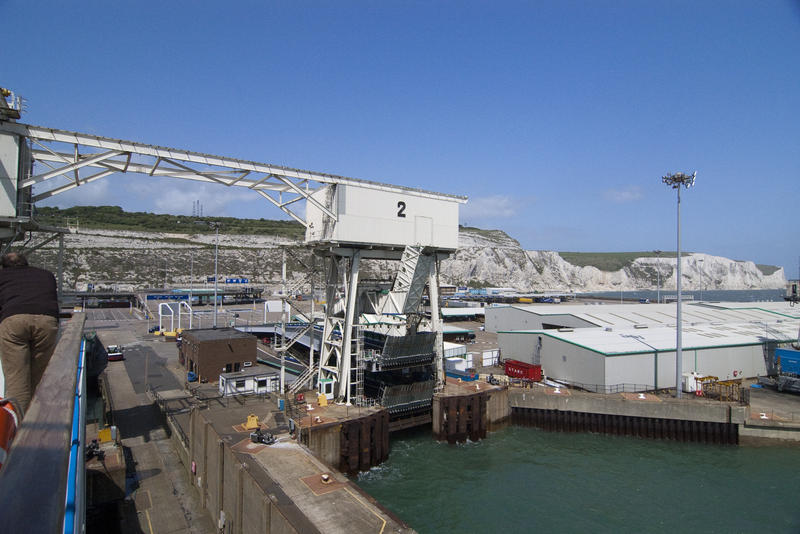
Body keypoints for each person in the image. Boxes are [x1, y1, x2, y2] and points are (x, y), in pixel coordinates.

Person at [0, 252, 59, 416]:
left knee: (16, 379)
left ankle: (19, 428)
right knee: (39, 376)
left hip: (14, 321)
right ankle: (38, 416)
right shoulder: (46, 275)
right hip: (47, 321)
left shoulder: (2, 276)